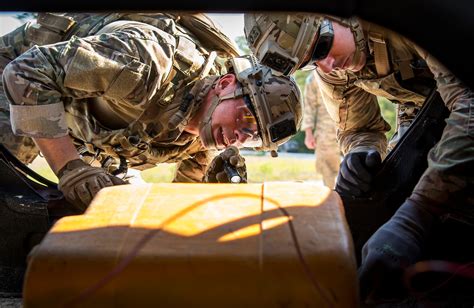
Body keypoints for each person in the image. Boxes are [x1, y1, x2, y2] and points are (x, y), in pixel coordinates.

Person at [244, 13, 473, 303]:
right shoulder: (331, 69)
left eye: (321, 47)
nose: (326, 64)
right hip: (426, 115)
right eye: (310, 62)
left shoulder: (409, 22)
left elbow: (470, 106)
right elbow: (358, 129)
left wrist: (418, 214)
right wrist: (360, 153)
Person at [0, 12, 302, 211]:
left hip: (87, 135)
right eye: (246, 119)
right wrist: (70, 167)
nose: (239, 137)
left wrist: (212, 198)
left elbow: (181, 201)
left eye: (252, 139)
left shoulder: (209, 136)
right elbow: (24, 73)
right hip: (17, 85)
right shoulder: (148, 64)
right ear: (225, 83)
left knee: (119, 212)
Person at [301, 71, 340, 188]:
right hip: (325, 129)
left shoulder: (346, 70)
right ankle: (330, 197)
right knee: (327, 168)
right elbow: (309, 107)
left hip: (350, 123)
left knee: (355, 161)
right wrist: (308, 133)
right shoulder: (314, 78)